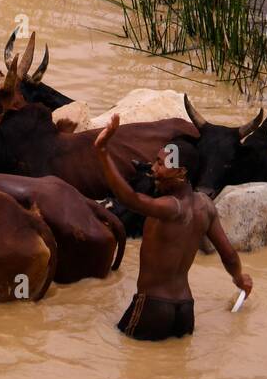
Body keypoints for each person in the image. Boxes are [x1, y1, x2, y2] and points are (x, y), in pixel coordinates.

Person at [93, 114, 252, 341]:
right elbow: (228, 254)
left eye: (161, 164)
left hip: (152, 307)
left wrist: (102, 151)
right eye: (156, 161)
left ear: (181, 172)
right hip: (185, 311)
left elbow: (130, 199)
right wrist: (239, 278)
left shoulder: (170, 207)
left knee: (122, 358)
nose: (153, 169)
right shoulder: (205, 206)